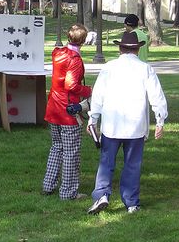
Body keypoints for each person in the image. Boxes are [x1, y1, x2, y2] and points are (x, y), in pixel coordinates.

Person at [86, 31, 168, 214]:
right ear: (137, 49)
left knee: (106, 162)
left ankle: (102, 194)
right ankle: (131, 202)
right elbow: (157, 96)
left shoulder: (109, 67)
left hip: (112, 125)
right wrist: (160, 120)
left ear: (119, 48)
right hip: (135, 126)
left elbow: (98, 95)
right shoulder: (145, 68)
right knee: (132, 164)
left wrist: (93, 118)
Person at [42, 23, 92, 200]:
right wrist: (88, 90)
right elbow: (71, 85)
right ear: (83, 41)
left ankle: (48, 185)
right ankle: (68, 192)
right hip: (68, 110)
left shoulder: (58, 53)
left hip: (53, 106)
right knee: (71, 152)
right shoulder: (75, 59)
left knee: (57, 147)